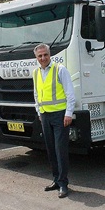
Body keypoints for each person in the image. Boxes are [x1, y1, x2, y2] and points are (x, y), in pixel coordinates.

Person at [33, 43, 75, 198]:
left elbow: (70, 93)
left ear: (49, 55)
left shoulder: (60, 70)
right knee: (50, 150)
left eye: (45, 55)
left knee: (60, 149)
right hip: (45, 115)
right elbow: (36, 94)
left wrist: (68, 113)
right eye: (40, 56)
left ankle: (64, 183)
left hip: (60, 115)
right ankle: (56, 180)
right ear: (36, 58)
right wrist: (39, 111)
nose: (43, 58)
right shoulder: (36, 73)